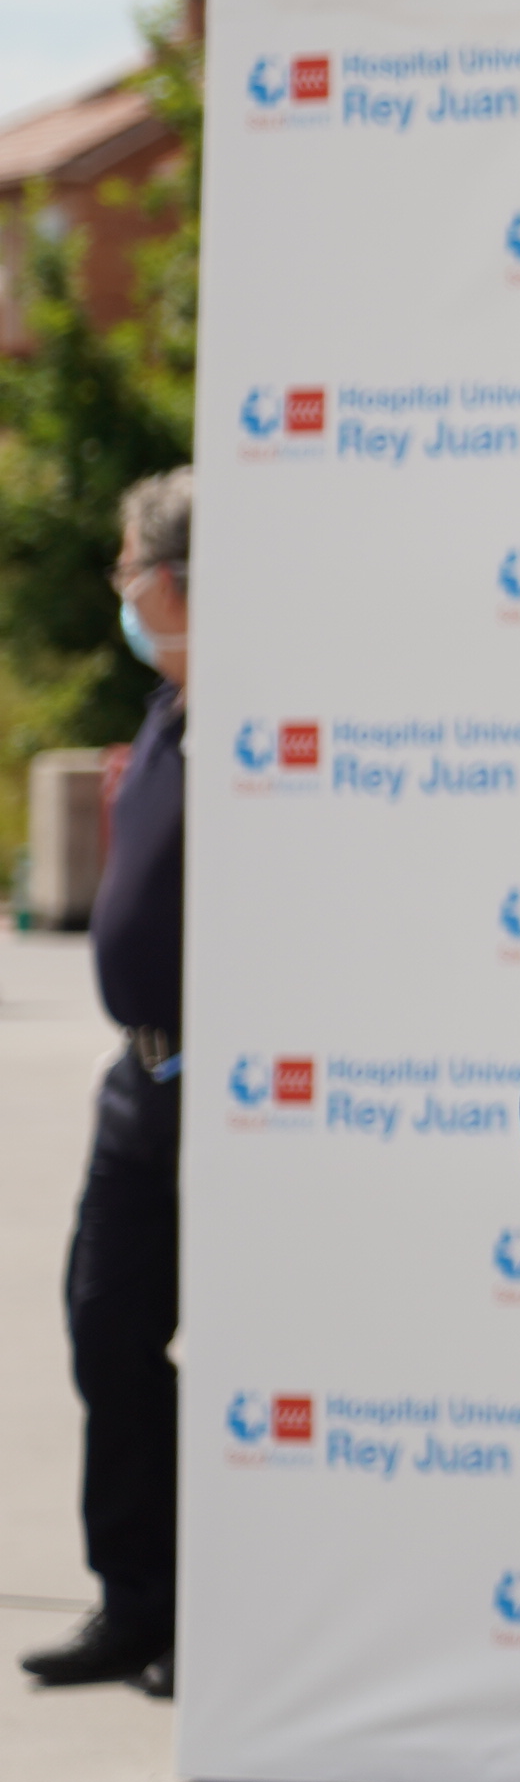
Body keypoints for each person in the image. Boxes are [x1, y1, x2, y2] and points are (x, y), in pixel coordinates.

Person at [26, 468, 191, 1700]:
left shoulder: (256, 720)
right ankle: (134, 1600)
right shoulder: (169, 710)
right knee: (106, 1325)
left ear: (179, 581)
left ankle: (202, 1611)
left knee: (224, 1349)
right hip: (139, 1077)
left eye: (130, 565)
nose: (121, 588)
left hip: (226, 1086)